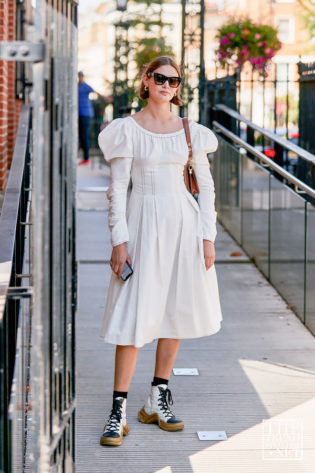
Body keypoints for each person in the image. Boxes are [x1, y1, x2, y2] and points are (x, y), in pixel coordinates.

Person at [97, 55, 223, 447]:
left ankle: (157, 396)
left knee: (175, 309)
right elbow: (117, 190)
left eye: (174, 81)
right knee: (134, 313)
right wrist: (119, 240)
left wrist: (207, 236)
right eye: (160, 78)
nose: (167, 85)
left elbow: (206, 186)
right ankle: (118, 409)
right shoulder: (126, 130)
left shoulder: (190, 131)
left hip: (183, 225)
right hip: (141, 225)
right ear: (146, 81)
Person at [78, 71, 105, 165]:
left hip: (85, 114)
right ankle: (85, 157)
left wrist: (105, 98)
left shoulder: (85, 86)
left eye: (80, 76)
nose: (79, 78)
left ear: (83, 77)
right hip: (79, 114)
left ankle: (86, 158)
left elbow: (95, 92)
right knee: (81, 135)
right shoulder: (77, 86)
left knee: (84, 135)